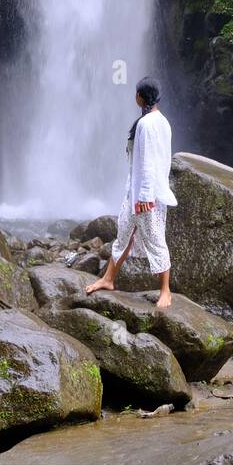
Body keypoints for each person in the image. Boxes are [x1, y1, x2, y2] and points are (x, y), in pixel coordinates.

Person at [86, 76, 177, 309]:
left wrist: (145, 197)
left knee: (156, 240)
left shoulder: (149, 124)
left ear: (140, 97)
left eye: (136, 93)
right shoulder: (158, 121)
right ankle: (108, 279)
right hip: (135, 192)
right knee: (123, 233)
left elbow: (149, 162)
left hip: (147, 196)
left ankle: (165, 291)